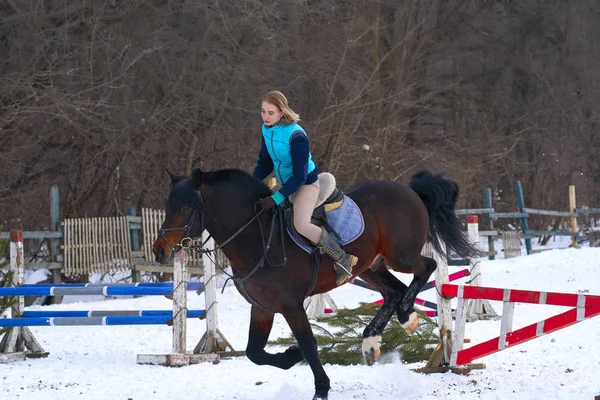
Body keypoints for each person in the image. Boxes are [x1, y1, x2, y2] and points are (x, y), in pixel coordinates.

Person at [252, 90, 357, 286]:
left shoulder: (296, 135)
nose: (265, 117)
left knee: (301, 224)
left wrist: (275, 198)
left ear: (282, 112)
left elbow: (300, 176)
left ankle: (343, 259)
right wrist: (250, 183)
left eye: (270, 113)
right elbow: (265, 162)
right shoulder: (266, 130)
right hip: (285, 183)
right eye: (262, 111)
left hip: (305, 184)